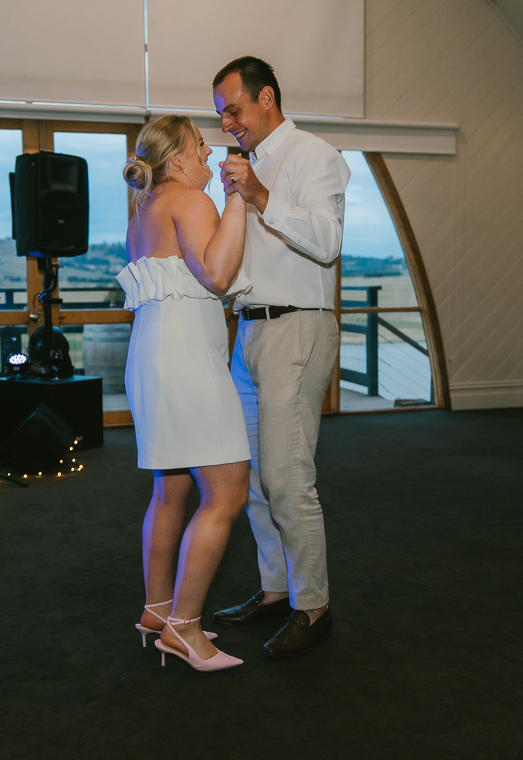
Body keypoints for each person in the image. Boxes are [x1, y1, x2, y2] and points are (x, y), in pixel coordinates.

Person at [210, 56, 351, 657]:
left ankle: (313, 608)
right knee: (252, 479)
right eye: (221, 116)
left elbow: (327, 242)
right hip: (249, 332)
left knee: (288, 477)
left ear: (266, 97)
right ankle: (275, 590)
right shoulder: (248, 166)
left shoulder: (314, 155)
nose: (227, 124)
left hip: (297, 327)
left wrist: (260, 194)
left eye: (233, 110)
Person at [117, 115, 250, 672]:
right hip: (187, 361)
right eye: (200, 146)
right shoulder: (191, 200)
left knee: (170, 491)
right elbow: (217, 275)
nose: (209, 155)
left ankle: (157, 611)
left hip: (151, 357)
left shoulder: (143, 211)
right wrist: (238, 195)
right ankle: (185, 629)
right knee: (227, 493)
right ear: (177, 160)